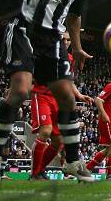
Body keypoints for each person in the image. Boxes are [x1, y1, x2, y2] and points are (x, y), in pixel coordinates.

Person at [0, 0, 94, 186]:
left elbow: (75, 17)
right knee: (21, 90)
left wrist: (77, 47)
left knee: (68, 98)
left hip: (53, 40)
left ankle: (72, 161)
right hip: (23, 29)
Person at [29, 31, 93, 180]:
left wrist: (79, 95)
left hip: (58, 100)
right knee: (45, 131)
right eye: (63, 39)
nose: (66, 42)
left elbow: (69, 82)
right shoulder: (45, 53)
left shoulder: (69, 59)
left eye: (69, 40)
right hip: (42, 95)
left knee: (59, 141)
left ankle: (39, 171)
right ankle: (34, 174)